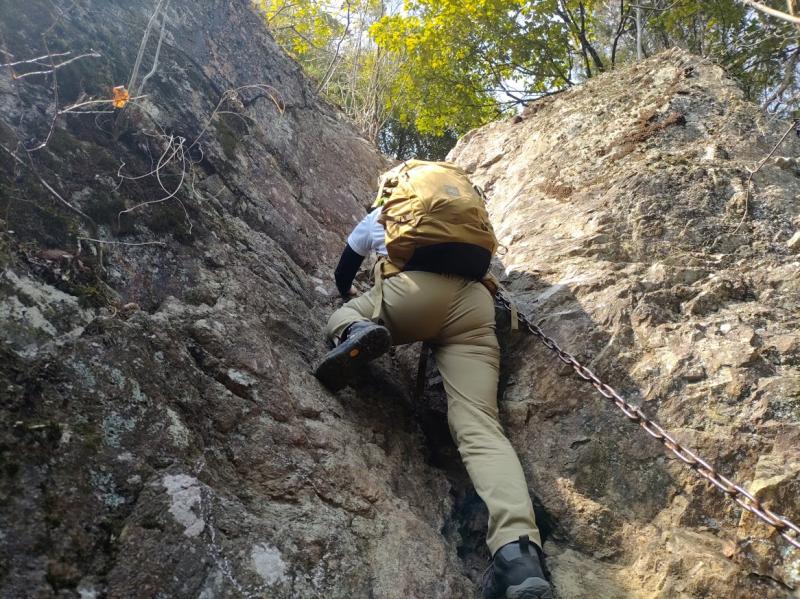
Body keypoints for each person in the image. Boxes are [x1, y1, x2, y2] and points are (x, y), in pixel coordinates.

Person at [314, 161, 552, 599]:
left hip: (411, 296)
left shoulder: (382, 215)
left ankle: (357, 331)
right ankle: (519, 556)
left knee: (344, 313)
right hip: (474, 306)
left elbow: (342, 274)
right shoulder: (464, 226)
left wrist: (355, 296)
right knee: (481, 430)